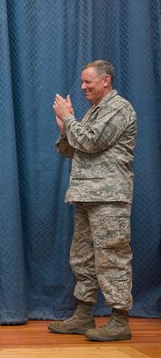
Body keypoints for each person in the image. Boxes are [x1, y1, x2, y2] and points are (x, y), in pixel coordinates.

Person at [49, 60, 137, 342]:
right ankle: (84, 314)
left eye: (88, 82)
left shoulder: (118, 108)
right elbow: (70, 150)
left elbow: (91, 142)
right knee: (83, 258)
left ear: (106, 81)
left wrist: (71, 120)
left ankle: (120, 320)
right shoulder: (92, 113)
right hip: (87, 195)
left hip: (109, 197)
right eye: (83, 82)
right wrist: (65, 127)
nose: (83, 86)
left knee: (112, 257)